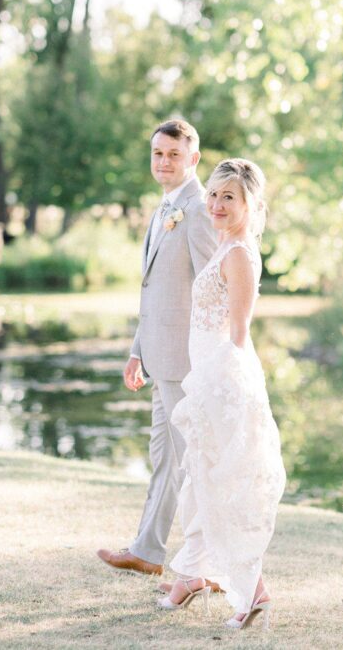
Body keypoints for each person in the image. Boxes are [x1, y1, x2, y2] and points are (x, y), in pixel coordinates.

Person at [156, 158, 286, 630]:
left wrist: (213, 388)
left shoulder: (239, 255)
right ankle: (194, 574)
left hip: (223, 383)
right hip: (206, 379)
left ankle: (253, 592)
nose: (215, 204)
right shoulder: (224, 247)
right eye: (212, 194)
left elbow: (237, 333)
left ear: (249, 204)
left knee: (224, 484)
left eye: (228, 197)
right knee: (202, 481)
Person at [96, 120, 217, 577]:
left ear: (193, 159)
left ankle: (213, 562)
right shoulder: (164, 208)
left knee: (195, 461)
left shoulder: (200, 210)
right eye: (157, 154)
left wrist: (208, 357)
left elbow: (212, 288)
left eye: (172, 154)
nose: (163, 162)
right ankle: (147, 551)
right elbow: (154, 292)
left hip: (187, 361)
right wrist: (136, 350)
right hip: (158, 356)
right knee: (166, 457)